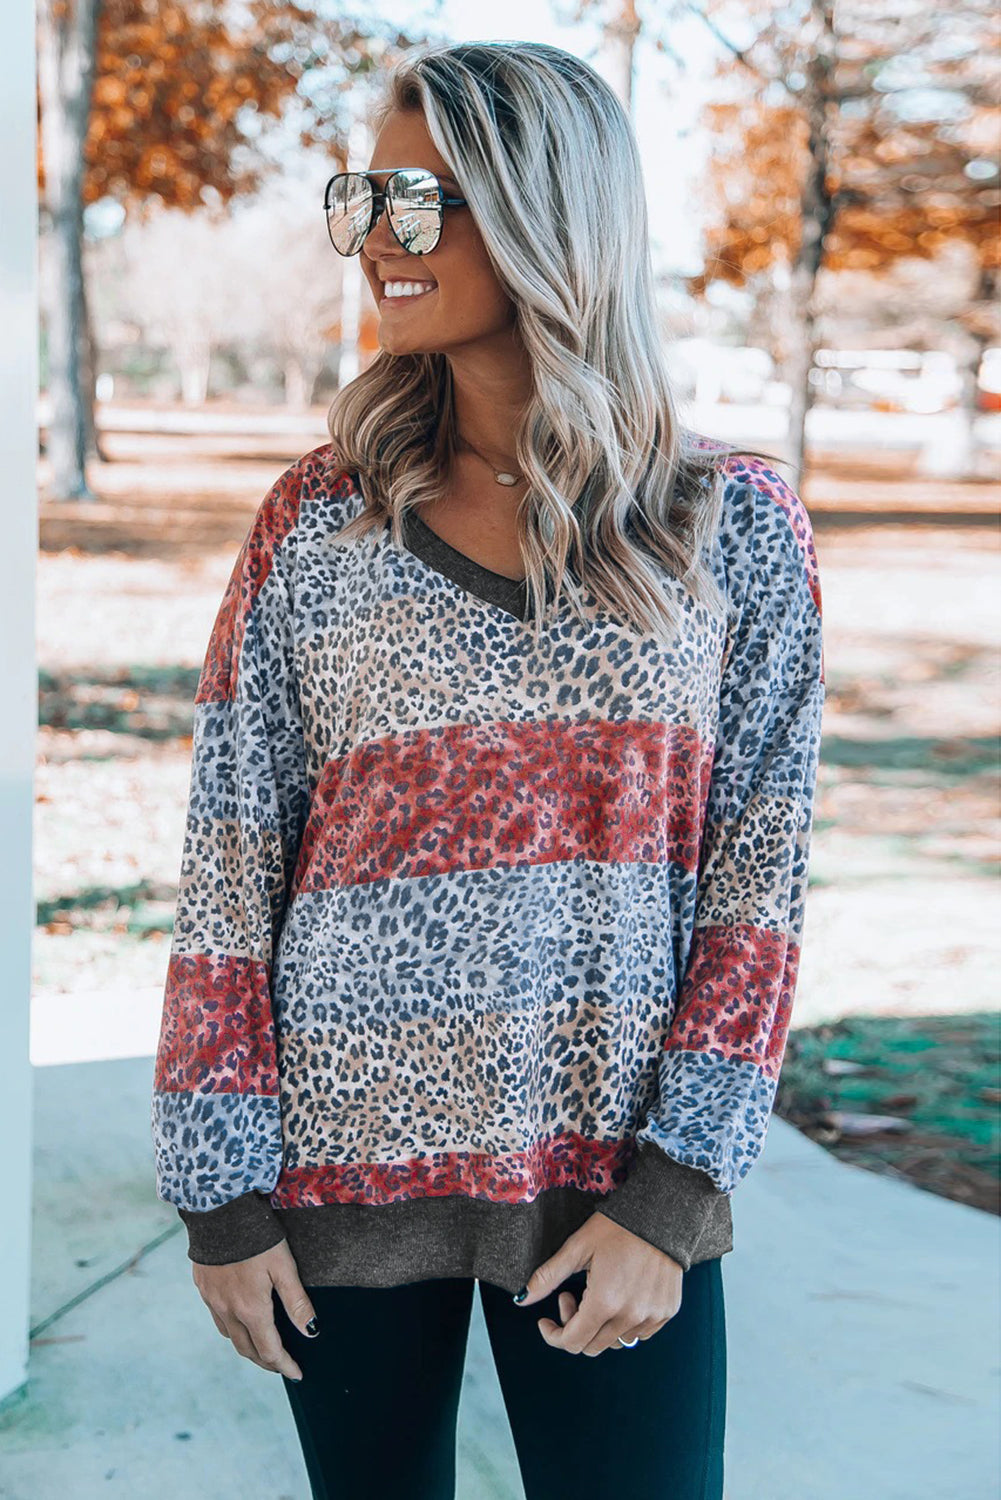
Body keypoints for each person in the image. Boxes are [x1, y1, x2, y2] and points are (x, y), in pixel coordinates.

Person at [150, 38, 826, 1500]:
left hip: (610, 1186)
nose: (375, 241)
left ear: (544, 213)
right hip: (336, 1171)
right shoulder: (317, 522)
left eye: (419, 202)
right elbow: (230, 860)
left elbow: (758, 884)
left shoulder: (729, 526)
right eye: (363, 199)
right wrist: (221, 1190)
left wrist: (678, 1187)